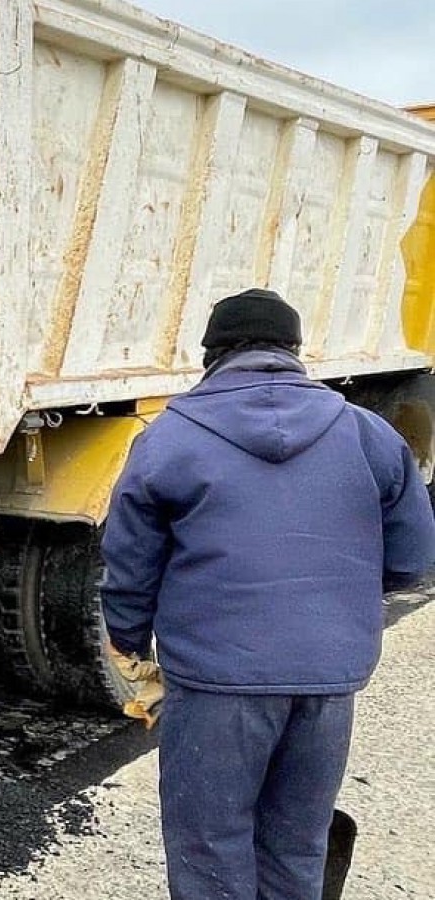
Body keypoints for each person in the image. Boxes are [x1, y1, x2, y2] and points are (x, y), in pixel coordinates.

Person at [100, 288, 435, 900]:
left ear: (212, 356)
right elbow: (414, 561)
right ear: (295, 351)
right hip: (328, 683)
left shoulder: (170, 438)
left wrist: (128, 638)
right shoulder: (367, 434)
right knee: (296, 847)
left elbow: (128, 565)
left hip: (215, 681)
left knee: (210, 851)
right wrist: (338, 606)